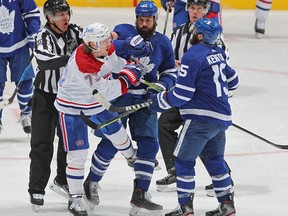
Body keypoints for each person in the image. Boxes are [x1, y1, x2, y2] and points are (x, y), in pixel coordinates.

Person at [82, 1, 177, 215]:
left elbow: (170, 72)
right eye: (141, 20)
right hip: (119, 97)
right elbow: (110, 41)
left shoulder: (163, 43)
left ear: (155, 20)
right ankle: (91, 182)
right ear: (136, 18)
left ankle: (140, 193)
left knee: (149, 145)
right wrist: (124, 41)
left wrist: (163, 86)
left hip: (146, 100)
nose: (144, 24)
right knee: (111, 142)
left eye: (148, 20)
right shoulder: (125, 29)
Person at [148, 17, 239, 216]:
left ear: (199, 35)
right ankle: (227, 205)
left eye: (194, 31)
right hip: (221, 119)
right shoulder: (219, 53)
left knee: (182, 161)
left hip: (200, 119)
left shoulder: (193, 54)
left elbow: (182, 95)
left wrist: (161, 100)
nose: (190, 33)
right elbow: (234, 82)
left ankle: (185, 207)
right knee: (216, 159)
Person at [55, 22, 143, 216]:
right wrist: (129, 77)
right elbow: (108, 91)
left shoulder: (103, 47)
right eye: (104, 41)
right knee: (78, 154)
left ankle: (131, 156)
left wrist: (128, 67)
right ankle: (75, 198)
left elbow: (114, 61)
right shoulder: (83, 66)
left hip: (94, 101)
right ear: (93, 45)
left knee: (116, 128)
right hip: (72, 107)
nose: (109, 43)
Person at [28, 0, 83, 212]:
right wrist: (75, 58)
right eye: (60, 14)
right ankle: (36, 188)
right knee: (42, 144)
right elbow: (44, 61)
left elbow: (93, 45)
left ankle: (63, 179)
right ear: (49, 18)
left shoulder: (75, 31)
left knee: (68, 144)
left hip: (68, 97)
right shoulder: (42, 36)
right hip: (45, 97)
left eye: (66, 13)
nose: (65, 17)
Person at [0, 0, 40, 134]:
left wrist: (33, 33)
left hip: (19, 44)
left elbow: (31, 12)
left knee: (25, 82)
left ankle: (27, 114)